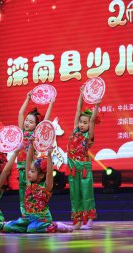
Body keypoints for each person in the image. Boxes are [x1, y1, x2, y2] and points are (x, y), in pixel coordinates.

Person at [3, 140, 73, 233]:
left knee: (31, 229)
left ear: (41, 175)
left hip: (41, 218)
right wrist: (31, 144)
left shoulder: (46, 187)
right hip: (27, 217)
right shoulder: (29, 183)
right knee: (7, 228)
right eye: (30, 171)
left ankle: (55, 226)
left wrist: (49, 155)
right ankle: (25, 227)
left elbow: (48, 173)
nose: (29, 173)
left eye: (32, 171)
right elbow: (28, 161)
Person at [67, 86, 101, 230]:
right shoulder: (75, 129)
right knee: (75, 194)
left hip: (84, 168)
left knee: (86, 193)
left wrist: (97, 104)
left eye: (84, 122)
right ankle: (78, 221)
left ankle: (90, 220)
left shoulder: (89, 136)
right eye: (81, 121)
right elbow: (77, 110)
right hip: (72, 167)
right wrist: (81, 94)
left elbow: (92, 121)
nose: (81, 124)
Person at [17, 91, 54, 216]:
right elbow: (20, 113)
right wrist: (27, 98)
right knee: (22, 194)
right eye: (27, 120)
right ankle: (24, 215)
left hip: (30, 169)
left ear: (37, 125)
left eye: (31, 122)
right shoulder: (21, 132)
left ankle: (34, 213)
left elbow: (46, 120)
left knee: (31, 193)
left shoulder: (37, 135)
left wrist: (51, 104)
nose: (27, 123)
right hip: (20, 168)